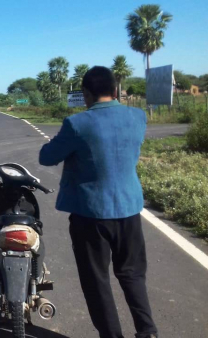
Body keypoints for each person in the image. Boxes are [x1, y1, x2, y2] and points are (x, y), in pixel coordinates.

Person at [38, 66, 157, 338]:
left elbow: (46, 157)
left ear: (86, 94)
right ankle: (148, 331)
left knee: (96, 280)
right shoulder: (138, 117)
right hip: (129, 210)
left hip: (89, 214)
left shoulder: (77, 124)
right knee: (132, 274)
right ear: (115, 90)